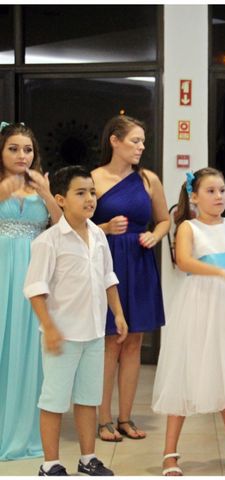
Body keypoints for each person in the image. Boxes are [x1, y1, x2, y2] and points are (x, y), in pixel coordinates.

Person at [152, 168, 225, 475]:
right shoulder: (188, 227)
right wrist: (224, 273)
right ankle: (169, 453)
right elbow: (185, 261)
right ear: (194, 196)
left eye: (222, 190)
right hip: (202, 304)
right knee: (188, 372)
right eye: (211, 191)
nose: (219, 196)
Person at [23, 165, 128, 476]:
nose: (90, 198)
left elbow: (109, 277)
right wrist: (51, 327)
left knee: (87, 398)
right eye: (80, 193)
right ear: (60, 199)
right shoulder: (49, 240)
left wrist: (118, 313)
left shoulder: (98, 234)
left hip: (94, 333)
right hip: (63, 336)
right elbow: (35, 289)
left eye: (92, 192)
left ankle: (88, 458)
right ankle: (50, 463)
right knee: (54, 400)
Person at [91, 115, 170, 442]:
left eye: (142, 142)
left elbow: (165, 220)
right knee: (111, 340)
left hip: (139, 262)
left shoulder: (149, 179)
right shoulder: (93, 178)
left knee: (134, 340)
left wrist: (155, 235)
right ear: (115, 140)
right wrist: (105, 228)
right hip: (107, 262)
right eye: (135, 141)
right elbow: (75, 226)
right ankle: (103, 418)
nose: (141, 147)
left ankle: (125, 416)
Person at [0, 123, 61, 461]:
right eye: (13, 148)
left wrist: (48, 193)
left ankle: (23, 429)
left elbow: (60, 224)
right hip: (1, 270)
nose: (22, 155)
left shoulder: (40, 185)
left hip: (33, 276)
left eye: (27, 149)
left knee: (27, 348)